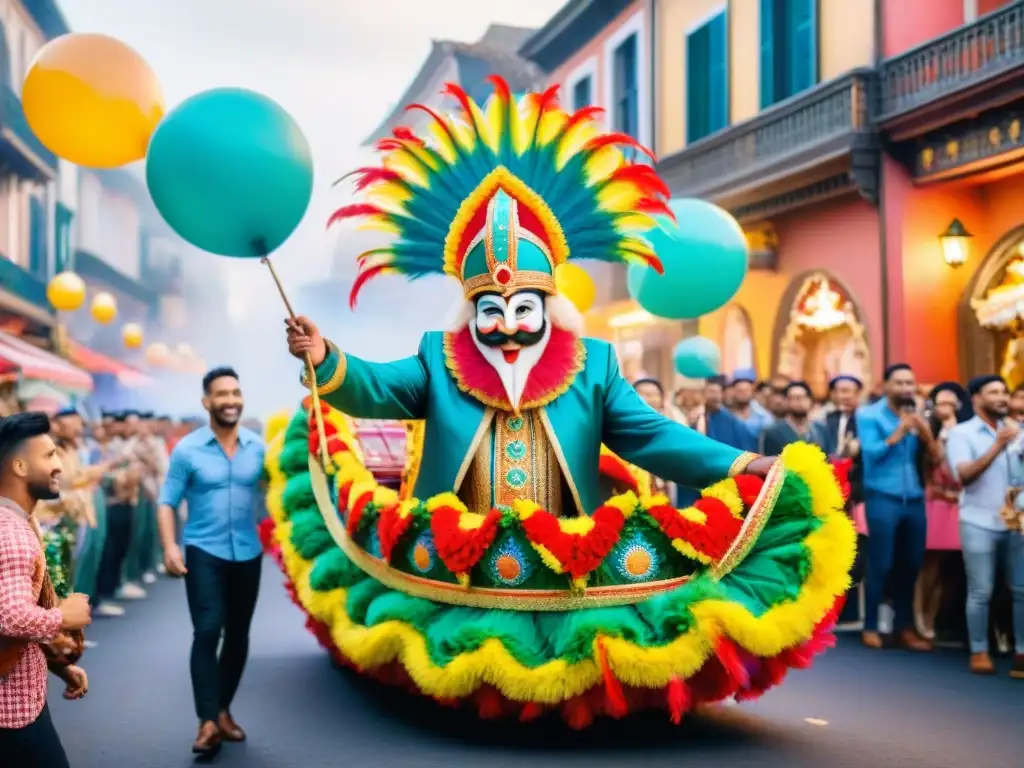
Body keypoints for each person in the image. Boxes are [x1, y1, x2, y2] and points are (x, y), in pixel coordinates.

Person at [157, 367, 266, 756]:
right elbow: (166, 501)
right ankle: (206, 722)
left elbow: (280, 490)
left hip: (249, 552)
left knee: (238, 635)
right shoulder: (187, 450)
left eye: (235, 393)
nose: (230, 401)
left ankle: (222, 711)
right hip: (204, 551)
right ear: (207, 402)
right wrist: (170, 547)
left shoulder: (259, 448)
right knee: (207, 631)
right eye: (222, 394)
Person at [0, 412, 92, 768]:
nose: (59, 465)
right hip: (11, 710)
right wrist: (62, 616)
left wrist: (57, 666)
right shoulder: (11, 532)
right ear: (20, 466)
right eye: (50, 455)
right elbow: (10, 617)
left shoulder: (16, 522)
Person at [856, 363, 938, 651]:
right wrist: (899, 432)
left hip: (914, 497)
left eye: (910, 383)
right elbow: (871, 453)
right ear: (886, 386)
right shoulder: (868, 415)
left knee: (912, 563)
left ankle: (903, 627)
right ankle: (871, 626)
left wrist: (925, 432)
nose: (906, 388)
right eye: (900, 383)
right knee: (881, 563)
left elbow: (935, 457)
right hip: (882, 496)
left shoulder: (918, 414)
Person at [946, 375, 1024, 678]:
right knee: (981, 591)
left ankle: (1021, 652)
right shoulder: (961, 433)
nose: (1002, 397)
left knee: (1021, 590)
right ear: (976, 398)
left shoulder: (1017, 430)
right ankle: (979, 650)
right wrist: (998, 445)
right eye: (994, 392)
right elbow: (964, 475)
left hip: (1016, 522)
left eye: (1004, 392)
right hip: (978, 520)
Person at [759, 381, 825, 455]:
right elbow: (769, 460)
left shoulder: (820, 429)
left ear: (810, 400)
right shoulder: (773, 431)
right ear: (785, 401)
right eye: (794, 398)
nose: (799, 401)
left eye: (803, 397)